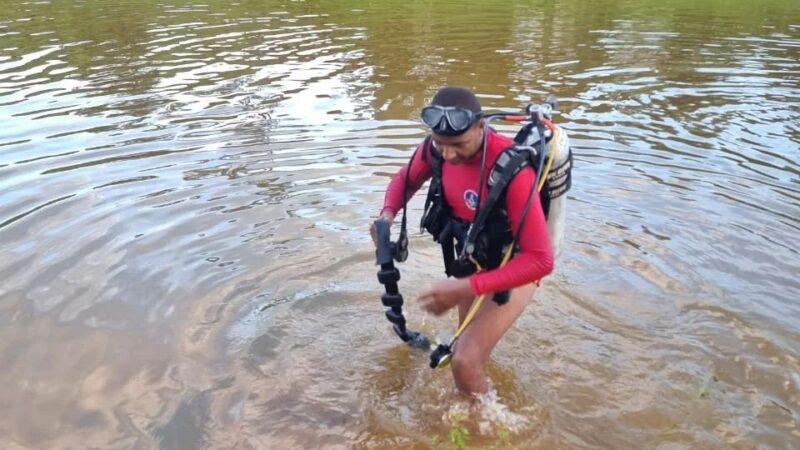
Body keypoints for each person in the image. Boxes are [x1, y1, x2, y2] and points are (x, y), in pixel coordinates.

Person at [371, 86, 554, 395]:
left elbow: (541, 260)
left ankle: (486, 434)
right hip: (473, 258)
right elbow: (405, 179)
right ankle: (470, 410)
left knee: (465, 361)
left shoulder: (511, 169)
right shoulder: (436, 149)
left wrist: (462, 287)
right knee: (465, 346)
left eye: (458, 144)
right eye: (440, 144)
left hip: (517, 264)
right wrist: (386, 216)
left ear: (481, 127)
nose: (448, 154)